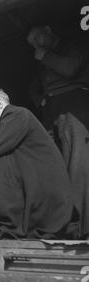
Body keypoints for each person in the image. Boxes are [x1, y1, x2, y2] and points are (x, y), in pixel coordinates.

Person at [0, 88, 78, 239]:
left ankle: (3, 218)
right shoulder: (9, 124)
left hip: (46, 197)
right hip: (31, 190)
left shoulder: (18, 114)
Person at [27, 26, 89, 238]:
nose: (36, 44)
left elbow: (70, 68)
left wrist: (45, 55)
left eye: (38, 38)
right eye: (32, 43)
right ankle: (62, 223)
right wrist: (41, 101)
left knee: (77, 163)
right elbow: (34, 87)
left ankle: (81, 225)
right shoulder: (41, 60)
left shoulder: (73, 45)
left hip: (74, 103)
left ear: (49, 31)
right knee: (54, 164)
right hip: (52, 108)